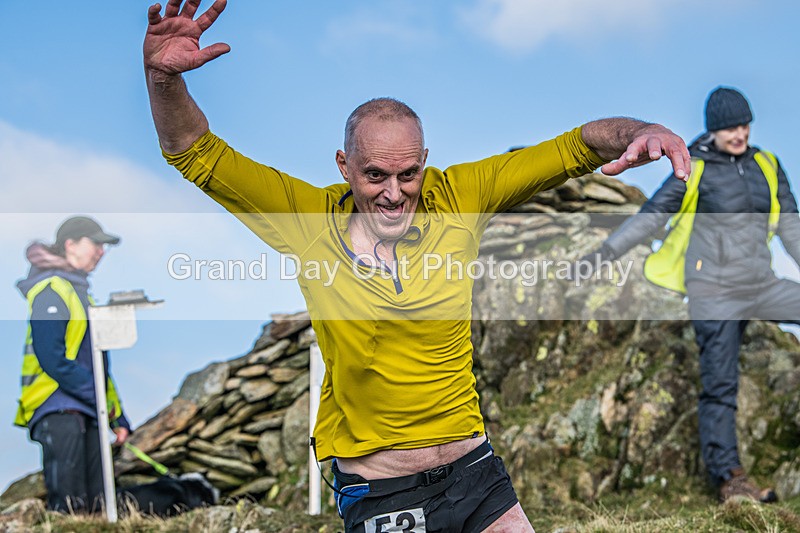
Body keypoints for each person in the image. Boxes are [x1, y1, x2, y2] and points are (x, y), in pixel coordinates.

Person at [143, 1, 690, 529]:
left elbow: (574, 146)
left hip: (477, 477)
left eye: (408, 175)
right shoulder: (306, 220)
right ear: (344, 165)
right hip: (382, 491)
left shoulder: (460, 197)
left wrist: (644, 131)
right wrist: (164, 81)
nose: (393, 193)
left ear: (424, 162)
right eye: (375, 175)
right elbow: (195, 151)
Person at [578, 86, 800, 503]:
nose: (739, 133)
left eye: (744, 125)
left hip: (761, 283)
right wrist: (605, 253)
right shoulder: (692, 165)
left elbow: (791, 227)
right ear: (713, 129)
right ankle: (730, 479)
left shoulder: (767, 164)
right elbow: (653, 216)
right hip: (713, 290)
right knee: (720, 384)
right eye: (730, 127)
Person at [14, 216, 132, 513]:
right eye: (96, 244)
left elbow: (97, 366)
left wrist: (117, 416)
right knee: (69, 505)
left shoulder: (82, 294)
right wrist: (99, 399)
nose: (101, 252)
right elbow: (51, 356)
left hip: (86, 406)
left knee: (96, 506)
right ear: (70, 245)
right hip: (56, 406)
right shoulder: (51, 290)